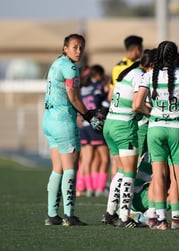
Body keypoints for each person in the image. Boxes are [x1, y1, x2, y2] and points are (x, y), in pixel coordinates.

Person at [43, 33, 104, 226]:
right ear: (65, 48)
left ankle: (52, 215)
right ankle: (69, 215)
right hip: (63, 122)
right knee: (71, 169)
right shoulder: (71, 67)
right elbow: (73, 96)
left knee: (57, 169)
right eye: (75, 47)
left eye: (81, 47)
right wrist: (88, 116)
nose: (78, 51)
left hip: (49, 121)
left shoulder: (57, 63)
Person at [133, 40, 179, 230]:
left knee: (158, 175)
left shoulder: (149, 75)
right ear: (175, 56)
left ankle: (161, 220)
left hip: (156, 128)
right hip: (178, 128)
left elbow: (136, 104)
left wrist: (151, 112)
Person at [101, 59, 145, 228]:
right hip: (123, 127)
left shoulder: (128, 73)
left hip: (110, 124)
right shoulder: (141, 76)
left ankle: (110, 213)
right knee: (129, 172)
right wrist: (152, 112)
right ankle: (124, 216)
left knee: (120, 171)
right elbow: (137, 105)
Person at [107, 35, 143, 178]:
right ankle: (128, 193)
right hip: (129, 118)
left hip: (114, 117)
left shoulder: (117, 67)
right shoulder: (136, 69)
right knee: (130, 162)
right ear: (137, 49)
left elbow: (110, 94)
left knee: (117, 162)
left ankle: (114, 192)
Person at [77, 64, 110, 197]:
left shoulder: (82, 88)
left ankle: (84, 186)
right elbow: (106, 101)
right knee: (104, 158)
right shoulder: (98, 87)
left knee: (87, 159)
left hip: (84, 125)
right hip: (94, 124)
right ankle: (98, 187)